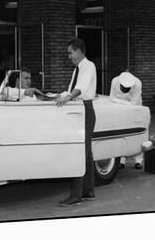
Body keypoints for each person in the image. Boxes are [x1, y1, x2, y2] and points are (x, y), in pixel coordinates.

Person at [55, 38, 97, 207]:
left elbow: (82, 88)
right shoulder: (77, 69)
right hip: (80, 109)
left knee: (79, 152)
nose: (69, 56)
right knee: (86, 153)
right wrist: (60, 95)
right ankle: (89, 191)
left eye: (70, 52)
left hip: (85, 109)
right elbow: (74, 87)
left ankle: (76, 195)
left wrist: (68, 97)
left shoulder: (89, 66)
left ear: (79, 51)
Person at [109, 72, 143, 169]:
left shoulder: (138, 83)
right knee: (121, 134)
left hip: (135, 109)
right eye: (123, 88)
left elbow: (133, 103)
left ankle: (138, 160)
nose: (125, 90)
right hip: (119, 109)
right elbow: (112, 98)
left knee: (137, 134)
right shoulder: (114, 81)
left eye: (127, 89)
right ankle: (121, 160)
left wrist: (122, 104)